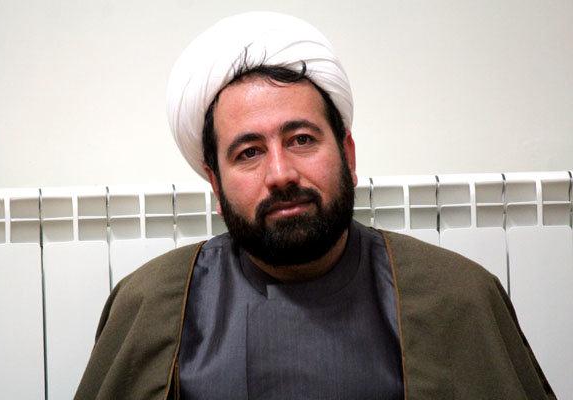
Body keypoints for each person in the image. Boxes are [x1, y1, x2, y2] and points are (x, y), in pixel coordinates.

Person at [75, 12, 555, 400]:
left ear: (347, 155)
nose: (280, 173)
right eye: (249, 152)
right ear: (216, 185)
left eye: (301, 139)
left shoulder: (460, 296)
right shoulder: (148, 304)